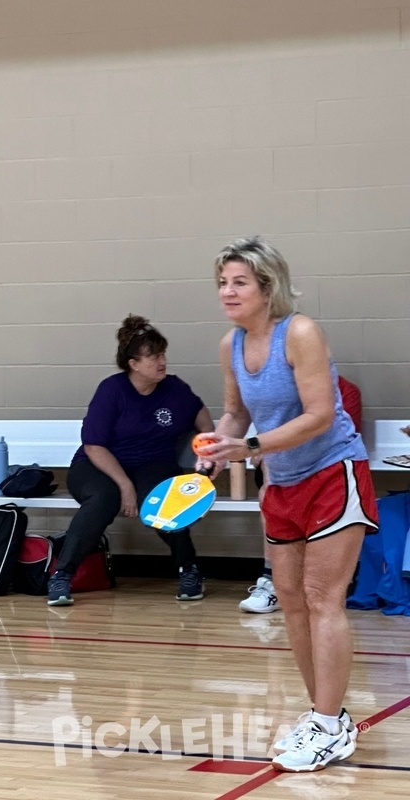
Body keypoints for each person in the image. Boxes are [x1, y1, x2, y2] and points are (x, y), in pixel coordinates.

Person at [197, 236, 377, 773]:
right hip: (282, 482)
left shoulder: (299, 333)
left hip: (331, 473)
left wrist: (248, 449)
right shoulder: (230, 345)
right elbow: (234, 413)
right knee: (292, 599)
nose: (227, 292)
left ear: (267, 286)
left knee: (324, 598)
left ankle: (325, 726)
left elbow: (322, 414)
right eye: (223, 283)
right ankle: (327, 717)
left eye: (239, 282)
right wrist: (214, 448)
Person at [47, 315, 214, 607]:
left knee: (166, 500)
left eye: (162, 354)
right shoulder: (112, 390)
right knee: (103, 498)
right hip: (98, 464)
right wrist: (124, 484)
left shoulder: (174, 389)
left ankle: (189, 571)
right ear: (133, 364)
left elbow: (201, 414)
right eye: (153, 357)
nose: (162, 362)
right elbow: (94, 445)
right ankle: (62, 576)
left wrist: (208, 445)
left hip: (153, 463)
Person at [239, 375, 363, 614]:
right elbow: (238, 417)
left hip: (328, 474)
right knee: (269, 482)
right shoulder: (275, 388)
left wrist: (259, 445)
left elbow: (338, 438)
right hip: (281, 474)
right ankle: (270, 580)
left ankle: (311, 583)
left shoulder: (346, 391)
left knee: (321, 601)